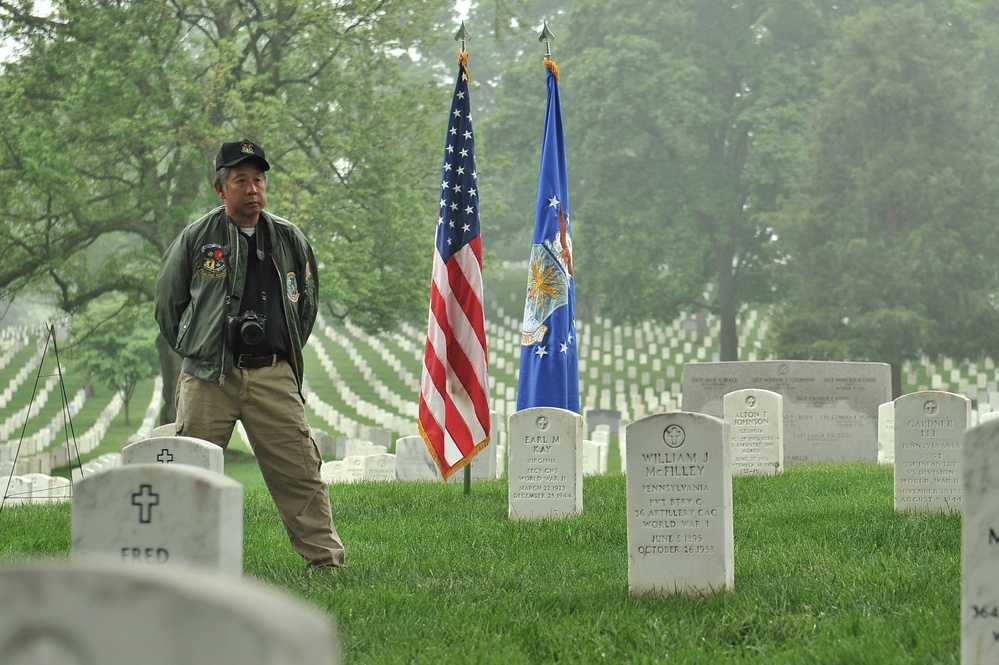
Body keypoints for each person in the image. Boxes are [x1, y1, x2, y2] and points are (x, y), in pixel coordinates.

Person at [154, 138, 345, 569]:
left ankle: (326, 562)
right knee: (192, 474)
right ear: (221, 189)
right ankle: (181, 564)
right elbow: (168, 306)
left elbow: (306, 304)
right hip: (209, 379)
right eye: (241, 180)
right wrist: (196, 349)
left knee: (301, 473)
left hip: (272, 376)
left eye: (258, 180)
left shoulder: (290, 238)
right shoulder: (196, 239)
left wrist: (283, 348)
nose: (252, 189)